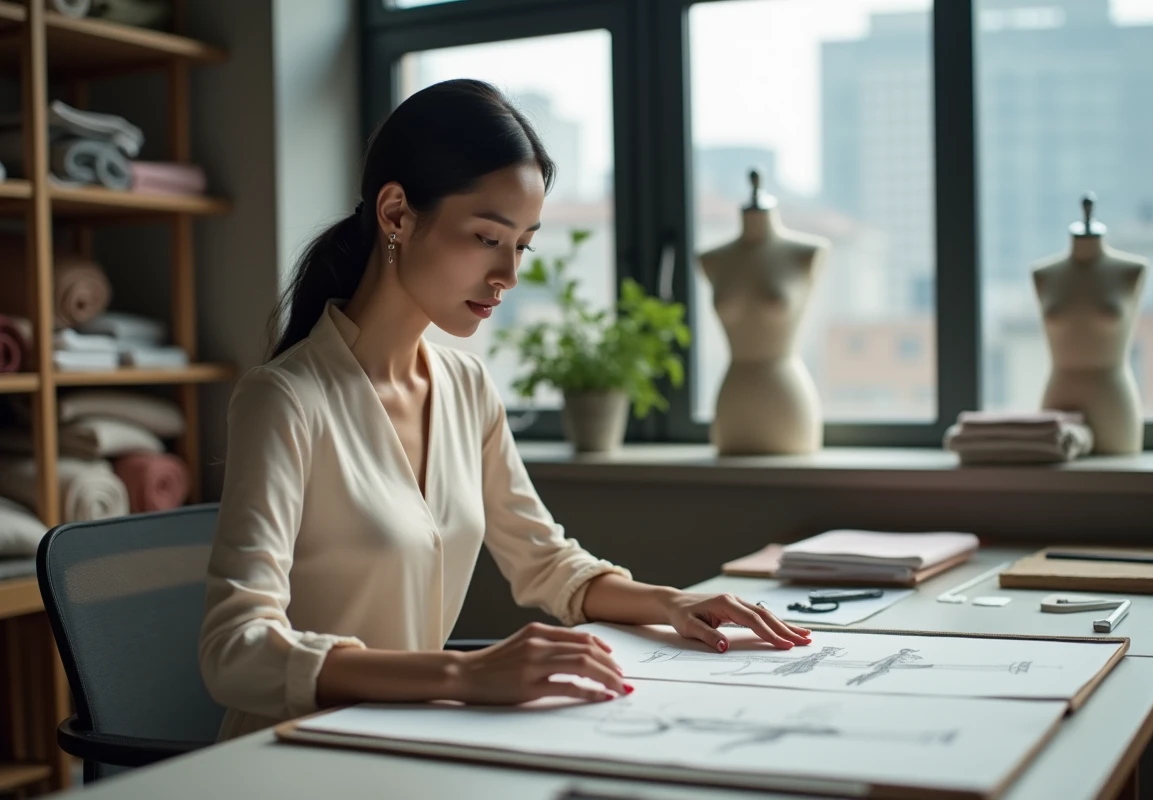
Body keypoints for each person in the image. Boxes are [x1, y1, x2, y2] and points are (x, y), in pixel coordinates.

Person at [198, 78, 811, 741]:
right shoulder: (285, 399)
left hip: (410, 742)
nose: (509, 276)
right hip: (290, 757)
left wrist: (675, 603)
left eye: (522, 245)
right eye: (488, 238)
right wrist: (462, 677)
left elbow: (547, 564)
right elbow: (237, 651)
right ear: (397, 213)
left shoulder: (466, 387)